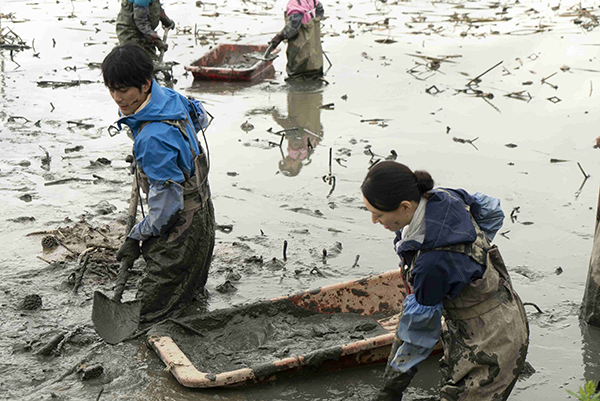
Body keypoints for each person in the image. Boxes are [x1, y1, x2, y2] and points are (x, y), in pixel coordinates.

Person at [361, 161, 529, 401]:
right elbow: (491, 210)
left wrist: (390, 390)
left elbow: (417, 338)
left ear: (405, 207)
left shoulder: (434, 263)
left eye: (378, 214)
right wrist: (472, 258)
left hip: (493, 341)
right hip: (504, 310)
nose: (373, 220)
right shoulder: (445, 197)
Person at [101, 43, 215, 323]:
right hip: (204, 215)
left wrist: (136, 235)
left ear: (144, 85)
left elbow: (166, 209)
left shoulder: (152, 140)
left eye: (124, 90)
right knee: (188, 295)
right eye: (112, 89)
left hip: (180, 228)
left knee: (149, 314)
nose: (118, 98)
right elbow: (201, 118)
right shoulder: (170, 99)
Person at [269, 0, 325, 80]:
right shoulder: (311, 1)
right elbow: (319, 9)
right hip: (314, 50)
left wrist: (279, 37)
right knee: (313, 64)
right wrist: (313, 22)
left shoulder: (295, 4)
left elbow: (293, 27)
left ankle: (297, 88)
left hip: (300, 44)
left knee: (297, 69)